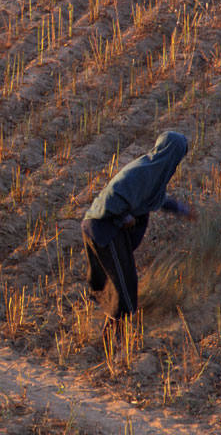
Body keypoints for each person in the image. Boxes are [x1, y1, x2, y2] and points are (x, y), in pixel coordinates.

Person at [81, 131, 193, 330]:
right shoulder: (143, 171)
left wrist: (182, 210)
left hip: (106, 227)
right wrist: (123, 216)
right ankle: (113, 340)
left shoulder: (152, 173)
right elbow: (114, 196)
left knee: (121, 282)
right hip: (104, 227)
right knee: (124, 287)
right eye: (178, 157)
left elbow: (158, 200)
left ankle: (112, 335)